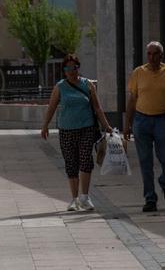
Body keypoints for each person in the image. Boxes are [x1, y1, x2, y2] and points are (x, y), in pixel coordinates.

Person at [41, 54, 112, 212]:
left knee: (86, 160)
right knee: (71, 163)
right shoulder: (60, 87)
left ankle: (85, 198)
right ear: (64, 70)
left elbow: (97, 107)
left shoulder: (88, 85)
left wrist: (106, 126)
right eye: (67, 68)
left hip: (86, 129)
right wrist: (45, 125)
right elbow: (51, 107)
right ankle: (74, 199)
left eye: (74, 68)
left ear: (78, 68)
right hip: (66, 130)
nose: (71, 71)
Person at [124, 41, 165, 213]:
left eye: (155, 53)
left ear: (162, 55)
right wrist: (127, 124)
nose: (151, 57)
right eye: (149, 54)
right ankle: (150, 198)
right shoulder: (138, 72)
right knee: (145, 162)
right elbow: (132, 100)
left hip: (163, 121)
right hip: (141, 121)